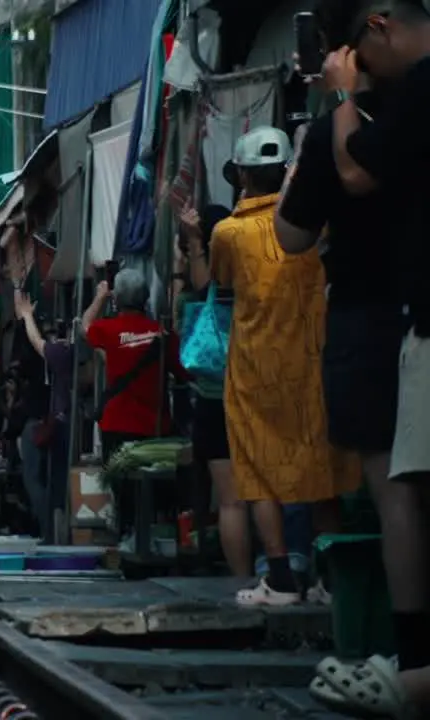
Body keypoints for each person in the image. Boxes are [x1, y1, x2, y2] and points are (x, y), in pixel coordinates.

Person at [299, 1, 430, 715]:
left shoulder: (408, 95)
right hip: (407, 319)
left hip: (389, 324)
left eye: (358, 51)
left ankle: (414, 663)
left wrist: (343, 100)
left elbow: (353, 178)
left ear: (377, 25)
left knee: (397, 492)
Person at [208, 126, 361, 608]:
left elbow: (220, 281)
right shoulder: (318, 227)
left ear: (243, 176)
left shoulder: (229, 232)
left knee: (258, 471)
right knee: (323, 466)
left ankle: (279, 578)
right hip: (316, 359)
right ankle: (332, 581)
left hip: (256, 365)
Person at [176, 203, 250, 578]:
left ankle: (243, 580)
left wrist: (193, 244)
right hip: (257, 389)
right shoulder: (254, 269)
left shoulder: (201, 288)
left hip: (214, 396)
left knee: (232, 501)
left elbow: (205, 288)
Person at [80, 269, 186, 461]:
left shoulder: (107, 329)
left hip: (116, 424)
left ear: (116, 299)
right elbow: (183, 371)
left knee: (120, 486)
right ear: (145, 298)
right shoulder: (162, 333)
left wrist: (100, 297)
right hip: (154, 428)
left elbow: (85, 326)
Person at [13, 292, 74, 543]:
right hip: (63, 421)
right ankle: (59, 529)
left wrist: (26, 316)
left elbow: (34, 341)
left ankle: (49, 530)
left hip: (42, 422)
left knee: (34, 477)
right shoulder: (71, 354)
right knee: (58, 478)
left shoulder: (52, 354)